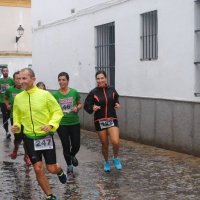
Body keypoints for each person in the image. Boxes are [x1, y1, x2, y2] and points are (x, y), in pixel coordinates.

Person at [11, 68, 67, 200]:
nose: (21, 81)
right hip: (29, 137)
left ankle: (59, 171)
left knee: (51, 168)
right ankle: (50, 196)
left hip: (45, 137)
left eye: (24, 78)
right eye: (19, 78)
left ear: (33, 79)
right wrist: (17, 126)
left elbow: (57, 111)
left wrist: (51, 124)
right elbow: (17, 115)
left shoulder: (45, 95)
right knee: (37, 167)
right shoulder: (18, 98)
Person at [84, 70, 122, 172]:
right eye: (98, 78)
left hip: (112, 118)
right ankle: (106, 161)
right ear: (96, 79)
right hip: (99, 120)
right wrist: (92, 107)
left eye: (102, 78)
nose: (100, 80)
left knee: (115, 141)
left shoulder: (112, 89)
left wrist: (117, 103)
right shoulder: (93, 92)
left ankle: (115, 157)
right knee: (105, 144)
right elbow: (86, 106)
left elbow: (116, 98)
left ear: (105, 78)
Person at [53, 72, 82, 176]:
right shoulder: (55, 95)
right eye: (59, 80)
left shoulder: (74, 92)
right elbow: (53, 109)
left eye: (63, 80)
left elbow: (79, 103)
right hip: (62, 124)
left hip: (74, 122)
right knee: (66, 145)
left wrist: (77, 108)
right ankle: (69, 166)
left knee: (76, 144)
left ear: (68, 81)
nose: (61, 82)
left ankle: (72, 155)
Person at [4, 71, 31, 165]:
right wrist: (7, 105)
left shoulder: (27, 90)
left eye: (21, 78)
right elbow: (6, 98)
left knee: (27, 137)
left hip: (27, 118)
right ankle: (15, 150)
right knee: (18, 137)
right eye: (17, 79)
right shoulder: (10, 90)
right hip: (14, 117)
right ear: (14, 80)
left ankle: (26, 156)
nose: (20, 81)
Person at [0, 66, 15, 139]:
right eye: (4, 71)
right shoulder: (0, 80)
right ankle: (7, 132)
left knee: (12, 117)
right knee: (5, 118)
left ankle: (15, 131)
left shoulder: (11, 80)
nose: (5, 72)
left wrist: (9, 87)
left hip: (10, 102)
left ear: (8, 71)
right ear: (2, 72)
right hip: (2, 101)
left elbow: (15, 88)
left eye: (7, 70)